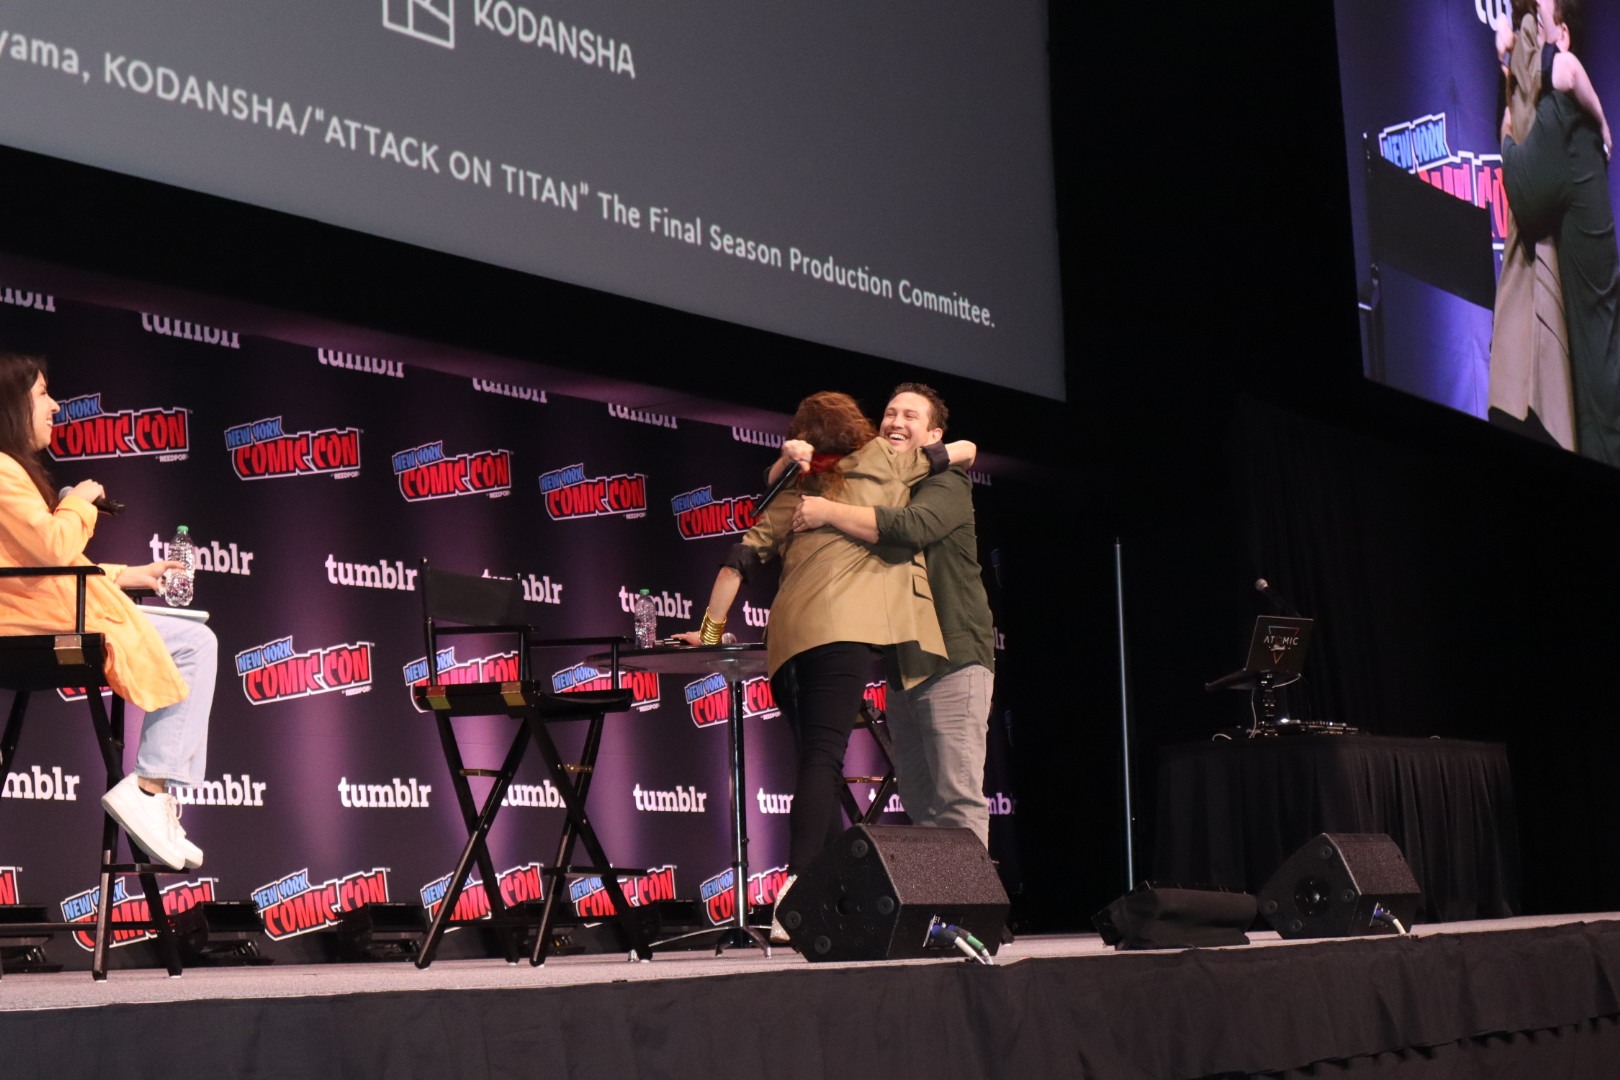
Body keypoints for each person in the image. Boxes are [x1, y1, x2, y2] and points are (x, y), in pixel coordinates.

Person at [677, 391, 975, 939]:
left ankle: (825, 896)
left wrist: (710, 633)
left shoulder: (796, 483)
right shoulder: (884, 460)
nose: (893, 424)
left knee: (819, 768)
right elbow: (964, 451)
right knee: (822, 763)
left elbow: (737, 562)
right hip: (842, 634)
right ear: (862, 428)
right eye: (886, 417)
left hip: (786, 643)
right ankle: (797, 896)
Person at [0, 353, 215, 871]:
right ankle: (148, 788)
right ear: (11, 405)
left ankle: (157, 795)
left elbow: (47, 563)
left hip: (44, 611)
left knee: (189, 635)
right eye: (42, 395)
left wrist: (128, 574)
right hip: (27, 630)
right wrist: (84, 502)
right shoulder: (2, 470)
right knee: (194, 644)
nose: (54, 406)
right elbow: (54, 549)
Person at [792, 383, 995, 848]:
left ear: (934, 434)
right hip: (904, 664)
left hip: (953, 656)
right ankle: (936, 918)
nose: (895, 422)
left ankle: (971, 917)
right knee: (922, 805)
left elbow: (912, 529)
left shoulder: (948, 481)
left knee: (957, 801)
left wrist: (828, 511)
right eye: (889, 413)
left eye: (910, 416)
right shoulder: (884, 485)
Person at [1501, 0, 1620, 466]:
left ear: (1564, 35)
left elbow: (1524, 192)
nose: (1531, 12)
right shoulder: (1574, 117)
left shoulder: (1563, 116)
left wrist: (1506, 136)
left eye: (1541, 11)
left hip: (1602, 405)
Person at [1488, 1, 1575, 452]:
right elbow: (1520, 126)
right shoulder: (1527, 41)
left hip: (1559, 279)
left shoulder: (1563, 84)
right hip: (1528, 281)